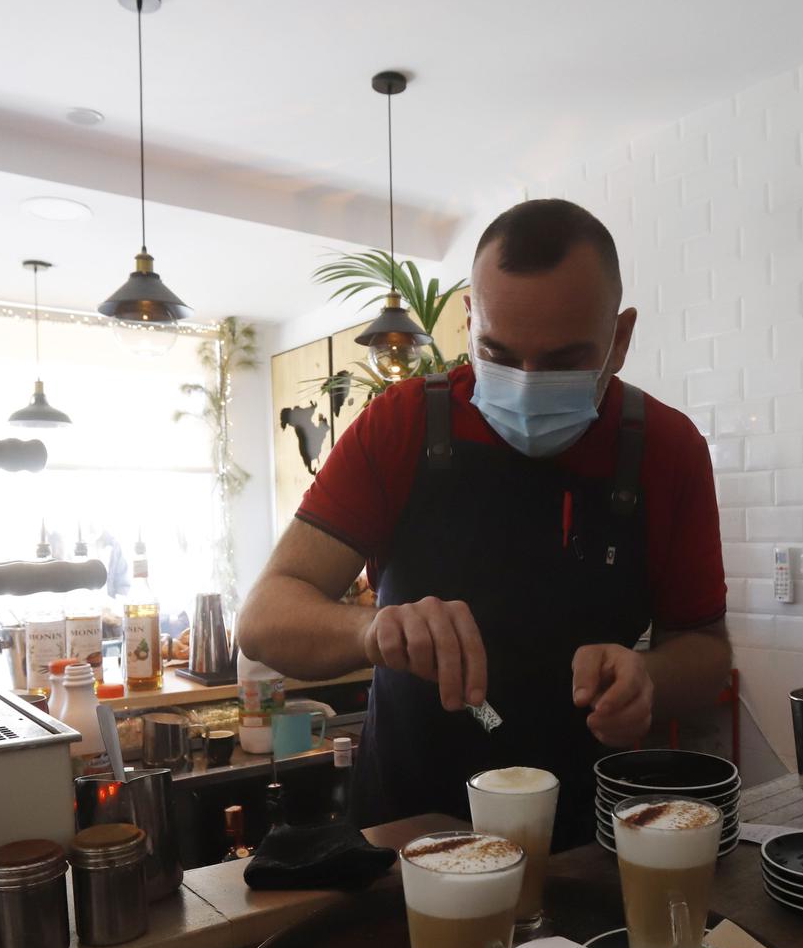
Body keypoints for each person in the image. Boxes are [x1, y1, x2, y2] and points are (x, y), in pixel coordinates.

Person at [238, 199, 731, 847]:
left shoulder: (668, 451)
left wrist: (651, 679)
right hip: (407, 842)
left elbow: (708, 652)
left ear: (621, 337)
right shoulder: (403, 426)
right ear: (470, 319)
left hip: (584, 847)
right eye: (498, 354)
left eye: (561, 362)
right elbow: (264, 618)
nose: (526, 387)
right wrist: (374, 629)